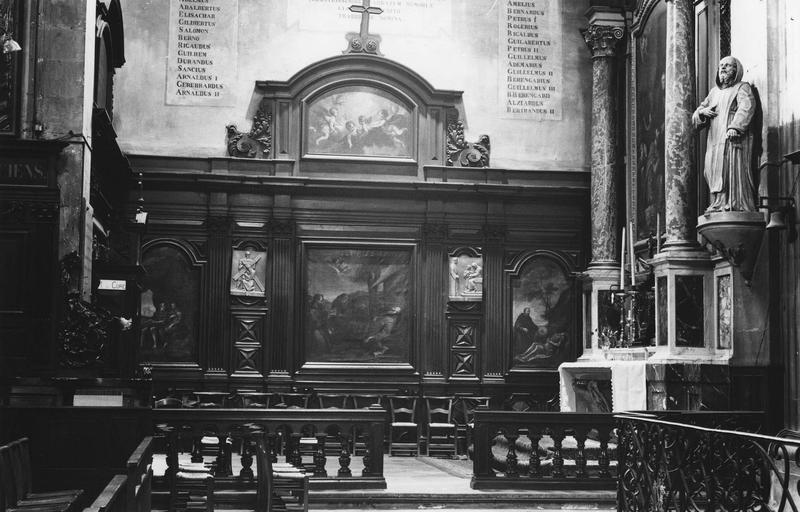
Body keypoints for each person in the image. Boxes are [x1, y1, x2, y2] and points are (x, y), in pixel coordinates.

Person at [692, 56, 759, 212]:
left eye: (727, 65)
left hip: (731, 138)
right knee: (711, 169)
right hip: (714, 138)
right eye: (721, 65)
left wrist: (735, 126)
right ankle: (717, 203)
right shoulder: (714, 92)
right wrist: (702, 112)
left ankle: (732, 203)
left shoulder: (742, 87)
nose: (722, 68)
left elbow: (746, 107)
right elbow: (697, 114)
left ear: (736, 70)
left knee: (728, 169)